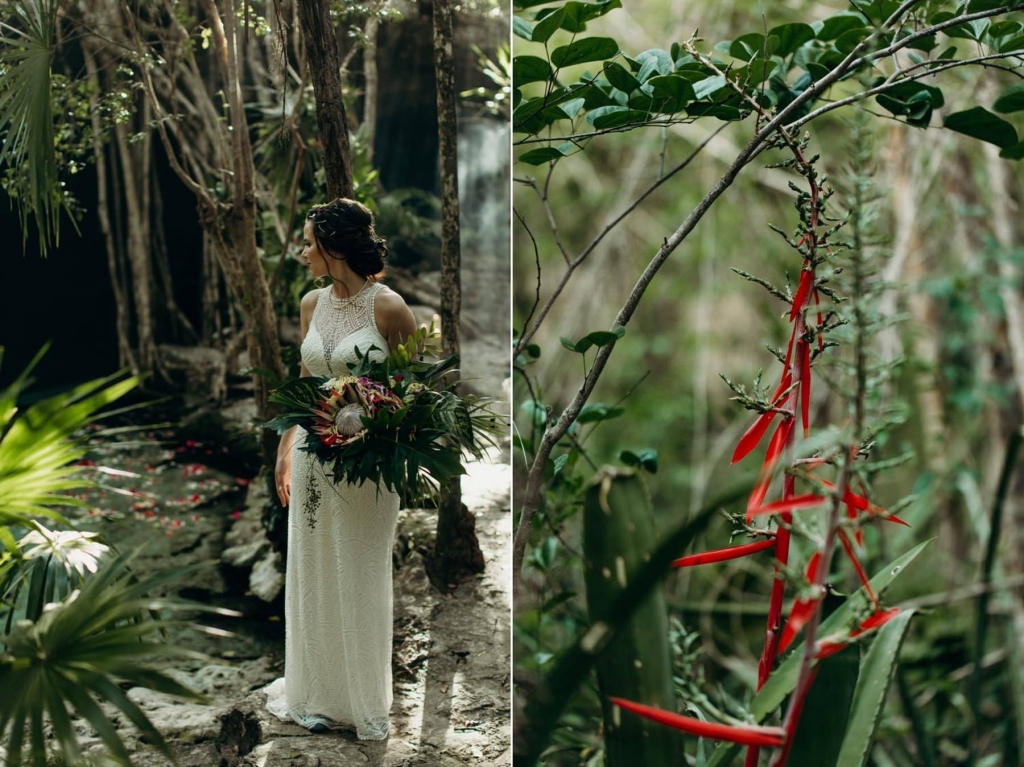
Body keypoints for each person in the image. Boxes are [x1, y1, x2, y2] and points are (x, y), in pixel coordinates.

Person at [264, 198, 417, 739]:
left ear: (332, 247)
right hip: (310, 455)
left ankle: (363, 704)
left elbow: (413, 393)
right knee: (313, 571)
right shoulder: (311, 304)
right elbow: (304, 386)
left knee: (358, 572)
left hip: (367, 466)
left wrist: (374, 423)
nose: (303, 252)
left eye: (308, 242)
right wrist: (286, 449)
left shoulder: (391, 308)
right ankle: (315, 697)